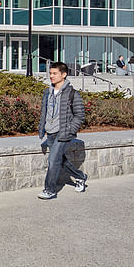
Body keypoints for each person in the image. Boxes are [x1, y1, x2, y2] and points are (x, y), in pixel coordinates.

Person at [37, 61, 87, 200]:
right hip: (50, 132)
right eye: (50, 73)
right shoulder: (47, 92)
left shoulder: (72, 93)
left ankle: (50, 190)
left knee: (53, 160)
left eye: (55, 73)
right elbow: (44, 112)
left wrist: (70, 129)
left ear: (64, 75)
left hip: (63, 132)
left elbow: (79, 115)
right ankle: (81, 177)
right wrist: (42, 129)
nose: (51, 76)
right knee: (61, 160)